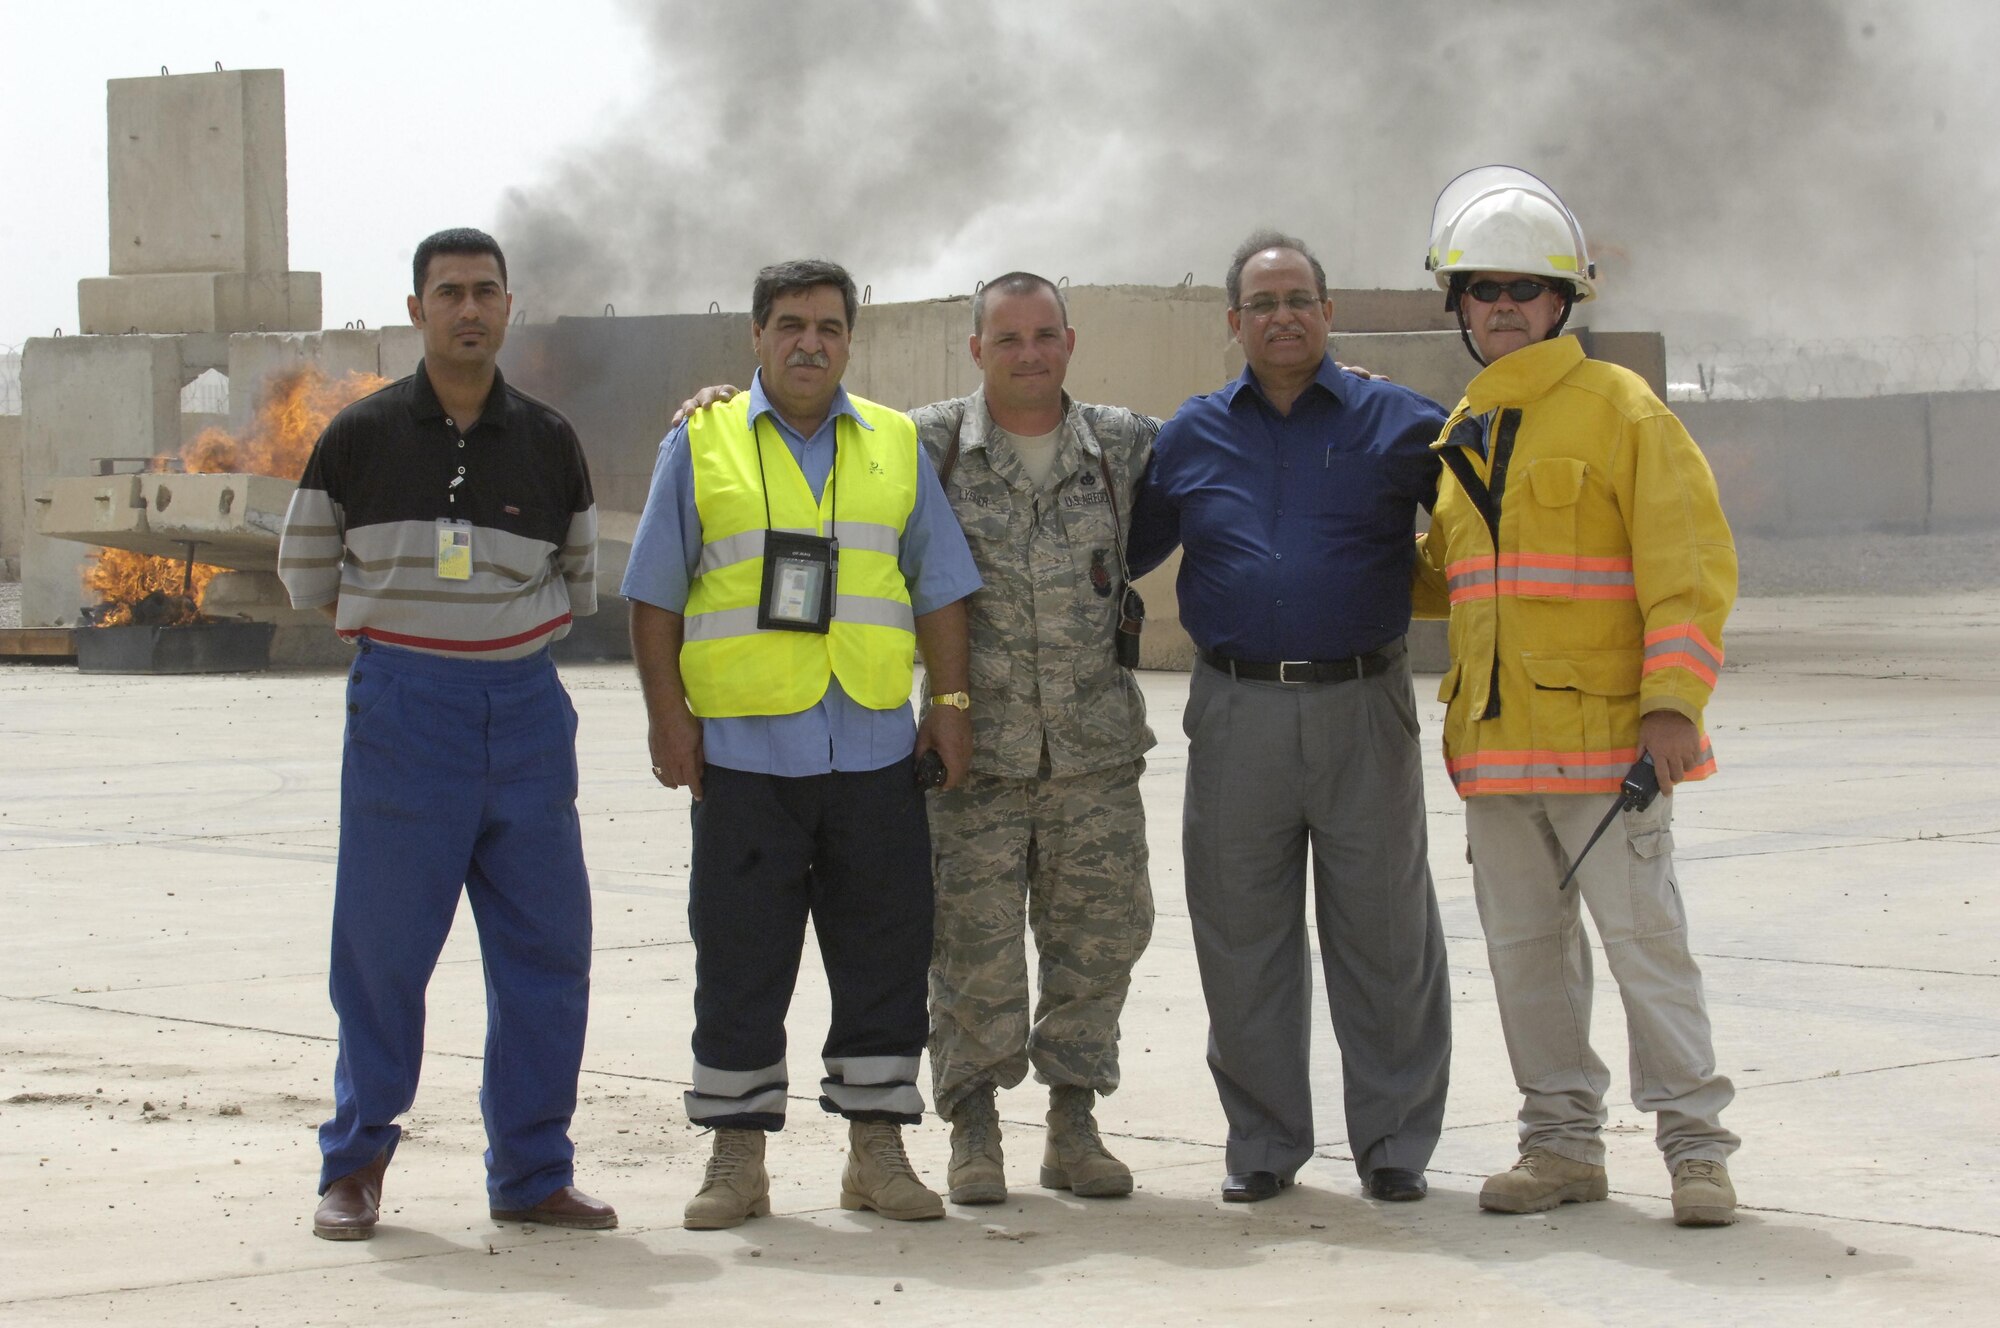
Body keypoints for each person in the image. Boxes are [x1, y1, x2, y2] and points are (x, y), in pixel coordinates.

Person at [668, 273, 1159, 1207]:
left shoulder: (1124, 445)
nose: (1028, 353)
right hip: (954, 760)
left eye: (1044, 335)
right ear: (974, 350)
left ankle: (1071, 1124)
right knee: (964, 956)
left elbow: (1219, 459)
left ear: (1069, 341)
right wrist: (718, 398)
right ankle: (970, 1128)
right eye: (1006, 338)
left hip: (1083, 751)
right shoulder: (925, 439)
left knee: (1096, 944)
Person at [623, 259, 981, 1231]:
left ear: (849, 339)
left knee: (882, 954)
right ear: (755, 336)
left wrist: (947, 701)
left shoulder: (895, 444)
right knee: (739, 957)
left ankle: (875, 1152)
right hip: (744, 755)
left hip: (871, 749)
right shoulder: (699, 444)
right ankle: (736, 1157)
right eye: (788, 324)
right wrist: (668, 716)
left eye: (827, 325)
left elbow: (938, 584)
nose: (808, 342)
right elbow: (652, 594)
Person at [1415, 166, 1741, 1226]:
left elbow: (1686, 570)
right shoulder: (1460, 430)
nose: (1500, 304)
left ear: (1562, 300)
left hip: (1609, 749)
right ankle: (1557, 1146)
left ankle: (1694, 1148)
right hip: (1497, 753)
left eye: (1521, 286)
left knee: (1645, 950)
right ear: (1456, 306)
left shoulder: (1620, 411)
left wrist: (1670, 705)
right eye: (1479, 288)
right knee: (1525, 964)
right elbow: (1453, 584)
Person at [278, 226, 613, 1240]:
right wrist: (412, 630)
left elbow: (578, 580)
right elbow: (305, 572)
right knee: (381, 949)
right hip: (404, 712)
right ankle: (357, 1162)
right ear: (416, 309)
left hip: (522, 712)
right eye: (450, 292)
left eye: (486, 291)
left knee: (548, 950)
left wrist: (493, 641)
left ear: (509, 307)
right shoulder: (357, 436)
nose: (470, 308)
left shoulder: (550, 440)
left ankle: (531, 1169)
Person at [1128, 230, 1453, 1205]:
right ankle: (1263, 1143)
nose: (1282, 315)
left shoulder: (1400, 422)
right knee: (1240, 937)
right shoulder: (1187, 434)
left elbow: (1496, 508)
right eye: (1262, 302)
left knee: (1385, 934)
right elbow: (1117, 546)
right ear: (1232, 322)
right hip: (1236, 711)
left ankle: (1393, 1142)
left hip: (1364, 706)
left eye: (1299, 298)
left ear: (1326, 312)